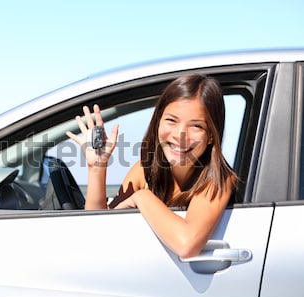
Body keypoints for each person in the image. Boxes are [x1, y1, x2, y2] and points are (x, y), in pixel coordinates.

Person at [66, 74, 237, 258]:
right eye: (171, 120)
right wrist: (97, 168)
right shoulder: (145, 170)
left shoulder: (219, 179)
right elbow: (98, 230)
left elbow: (187, 245)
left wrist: (142, 197)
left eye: (196, 126)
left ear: (211, 135)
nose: (180, 135)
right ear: (157, 123)